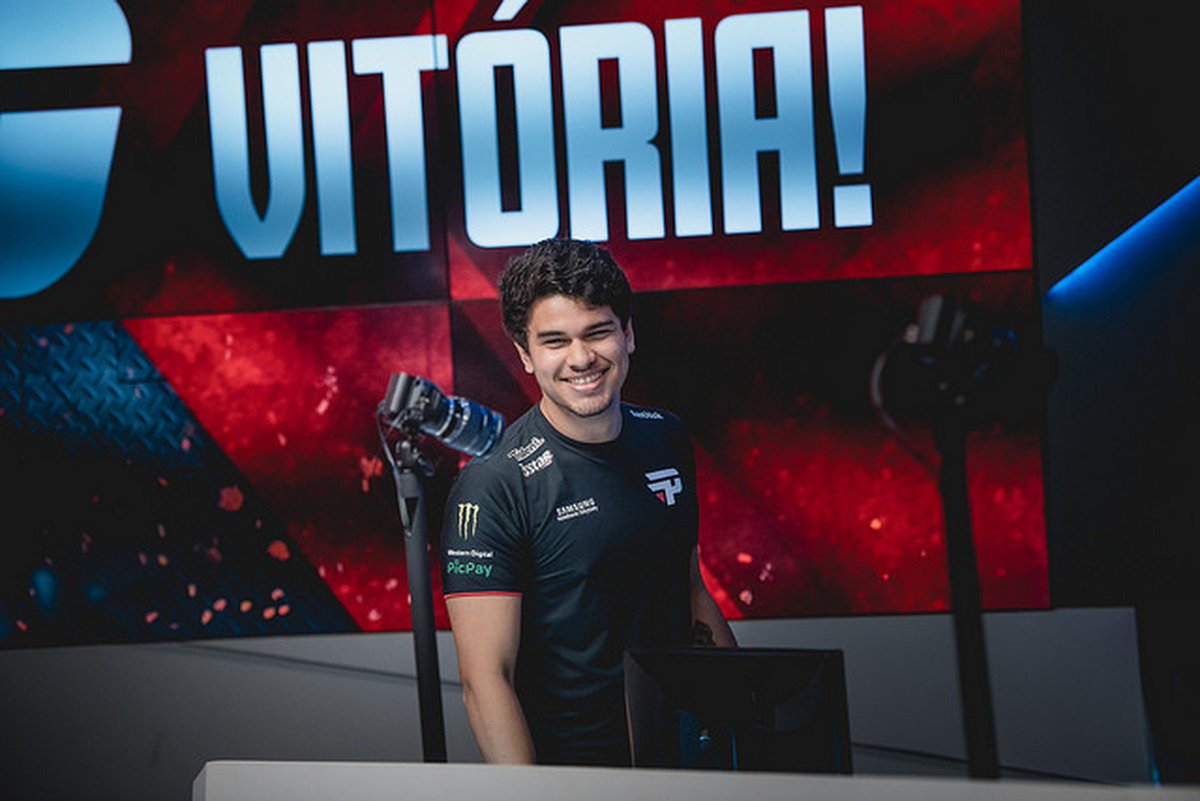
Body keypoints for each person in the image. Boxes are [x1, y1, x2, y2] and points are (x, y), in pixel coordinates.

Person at [441, 238, 735, 767]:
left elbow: (690, 589)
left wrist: (743, 730)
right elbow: (485, 681)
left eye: (598, 332)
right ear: (526, 355)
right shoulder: (493, 486)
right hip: (577, 774)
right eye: (555, 341)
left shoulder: (666, 437)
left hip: (684, 756)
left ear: (628, 334)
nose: (581, 359)